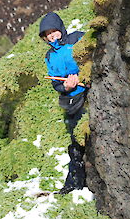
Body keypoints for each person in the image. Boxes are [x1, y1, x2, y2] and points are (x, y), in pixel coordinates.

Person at [39, 12, 87, 194]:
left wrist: (82, 77)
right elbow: (56, 83)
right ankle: (76, 183)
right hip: (71, 100)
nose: (52, 36)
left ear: (60, 28)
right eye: (48, 34)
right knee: (76, 141)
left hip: (89, 93)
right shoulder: (49, 56)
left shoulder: (76, 38)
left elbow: (93, 56)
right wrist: (65, 87)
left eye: (54, 31)